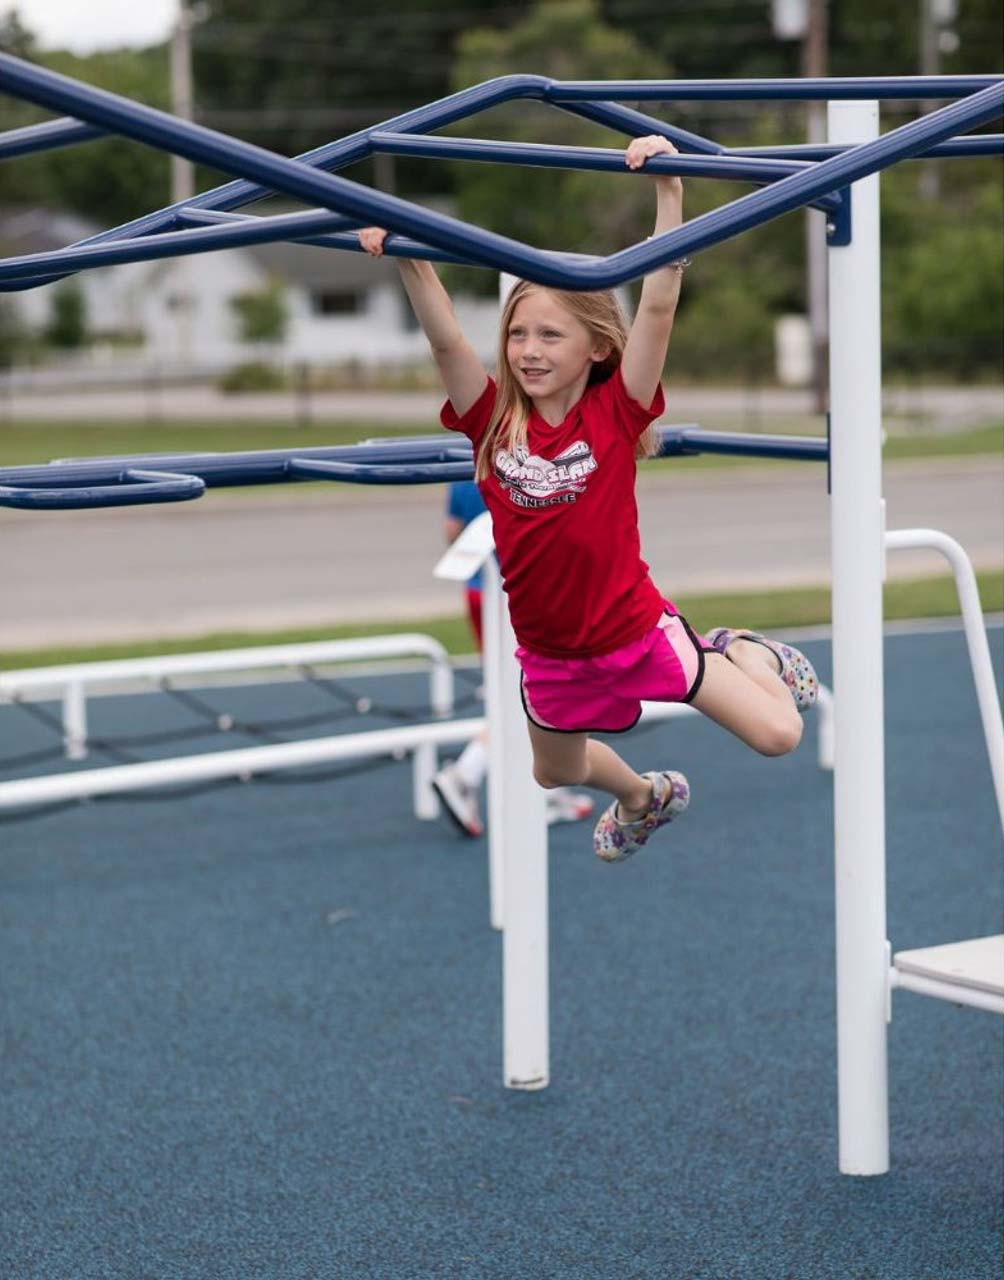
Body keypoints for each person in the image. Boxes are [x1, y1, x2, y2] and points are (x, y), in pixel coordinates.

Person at [360, 134, 817, 864]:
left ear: (598, 347)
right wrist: (413, 260)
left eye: (550, 335)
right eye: (517, 333)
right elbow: (448, 345)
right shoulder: (492, 422)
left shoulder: (614, 414)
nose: (529, 350)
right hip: (548, 653)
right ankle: (643, 796)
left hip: (635, 632)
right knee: (555, 772)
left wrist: (669, 194)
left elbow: (660, 309)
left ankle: (745, 649)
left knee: (780, 734)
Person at [431, 480, 595, 838]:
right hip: (526, 592)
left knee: (521, 687)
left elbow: (452, 529)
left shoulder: (470, 456)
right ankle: (466, 773)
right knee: (533, 691)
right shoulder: (537, 450)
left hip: (482, 588)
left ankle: (545, 789)